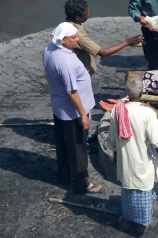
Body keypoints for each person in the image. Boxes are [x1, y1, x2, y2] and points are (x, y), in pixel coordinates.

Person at [106, 77, 158, 236]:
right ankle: (141, 226)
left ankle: (127, 221)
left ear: (127, 93)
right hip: (142, 161)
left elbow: (113, 138)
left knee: (127, 190)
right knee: (142, 191)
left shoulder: (118, 110)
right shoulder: (147, 113)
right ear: (142, 93)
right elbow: (157, 140)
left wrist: (115, 153)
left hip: (125, 159)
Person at [42, 22, 102, 194]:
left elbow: (48, 75)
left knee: (62, 143)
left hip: (59, 106)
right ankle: (81, 183)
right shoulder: (66, 62)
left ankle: (64, 173)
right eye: (73, 37)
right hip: (72, 112)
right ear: (63, 40)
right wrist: (83, 115)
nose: (77, 40)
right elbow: (72, 91)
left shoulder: (48, 50)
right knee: (78, 148)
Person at [64, 0, 143, 75]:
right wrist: (127, 42)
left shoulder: (67, 26)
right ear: (77, 17)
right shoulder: (77, 34)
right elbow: (103, 53)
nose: (89, 14)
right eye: (86, 13)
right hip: (80, 73)